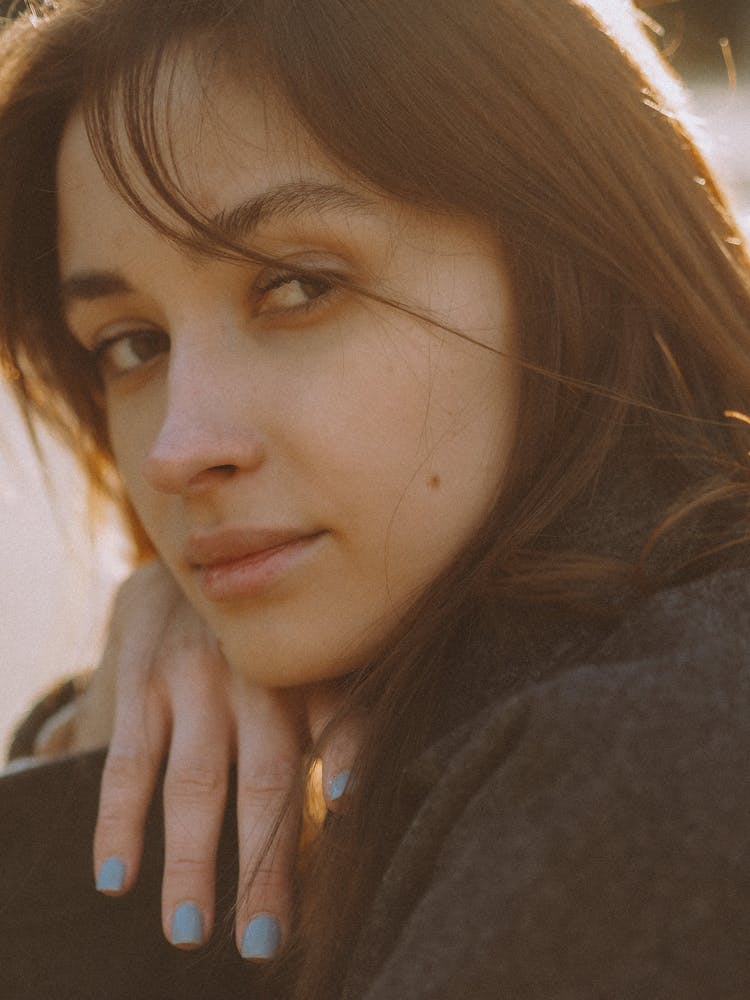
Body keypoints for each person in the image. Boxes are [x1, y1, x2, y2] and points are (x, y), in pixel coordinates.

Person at [0, 0, 749, 998]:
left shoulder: (650, 759)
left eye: (297, 286)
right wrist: (105, 744)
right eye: (132, 344)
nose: (180, 450)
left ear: (571, 259)